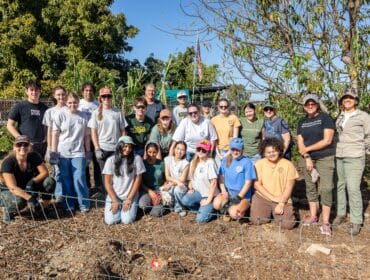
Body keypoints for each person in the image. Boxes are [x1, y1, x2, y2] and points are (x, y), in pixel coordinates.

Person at [297, 94, 335, 236]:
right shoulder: (301, 122)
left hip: (325, 157)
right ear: (304, 106)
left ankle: (325, 222)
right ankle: (313, 215)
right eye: (307, 104)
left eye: (313, 104)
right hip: (307, 158)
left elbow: (327, 140)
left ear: (317, 104)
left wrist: (307, 149)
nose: (310, 106)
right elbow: (300, 141)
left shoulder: (325, 118)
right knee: (310, 187)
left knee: (326, 188)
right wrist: (306, 156)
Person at [334, 89, 370, 235]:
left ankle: (356, 220)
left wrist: (364, 151)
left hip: (355, 155)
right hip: (340, 154)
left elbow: (369, 136)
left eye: (351, 98)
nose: (347, 100)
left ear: (355, 100)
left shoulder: (364, 116)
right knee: (340, 185)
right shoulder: (341, 116)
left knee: (353, 188)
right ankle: (341, 213)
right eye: (345, 98)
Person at [0, 135, 55, 224]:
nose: (22, 147)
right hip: (10, 191)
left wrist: (32, 182)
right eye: (19, 145)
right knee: (20, 200)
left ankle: (41, 208)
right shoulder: (8, 162)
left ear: (29, 146)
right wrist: (30, 198)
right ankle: (8, 211)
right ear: (14, 147)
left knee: (50, 181)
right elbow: (12, 187)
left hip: (27, 186)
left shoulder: (34, 156)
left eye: (25, 144)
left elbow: (45, 172)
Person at [51, 93, 91, 213]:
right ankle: (69, 204)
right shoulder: (60, 114)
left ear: (78, 102)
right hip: (63, 152)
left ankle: (84, 204)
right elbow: (55, 134)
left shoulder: (84, 116)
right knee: (66, 179)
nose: (72, 105)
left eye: (75, 102)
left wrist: (88, 152)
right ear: (66, 103)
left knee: (79, 178)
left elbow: (87, 136)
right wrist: (54, 152)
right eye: (70, 102)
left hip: (78, 152)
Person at [250, 138, 298, 230]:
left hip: (282, 198)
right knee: (257, 220)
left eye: (274, 151)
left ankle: (278, 212)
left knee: (287, 225)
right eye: (268, 152)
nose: (272, 154)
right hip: (262, 197)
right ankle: (269, 212)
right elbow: (256, 184)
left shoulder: (288, 164)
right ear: (264, 153)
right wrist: (272, 198)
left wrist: (281, 203)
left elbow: (289, 187)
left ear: (279, 150)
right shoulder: (259, 164)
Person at [89, 86, 127, 193]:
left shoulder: (118, 112)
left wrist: (122, 145)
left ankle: (117, 193)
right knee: (104, 173)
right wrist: (96, 148)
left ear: (111, 97)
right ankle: (107, 195)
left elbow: (123, 130)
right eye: (104, 96)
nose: (106, 98)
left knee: (116, 172)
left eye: (108, 96)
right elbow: (93, 132)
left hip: (115, 148)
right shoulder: (96, 113)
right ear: (100, 98)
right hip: (102, 148)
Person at [102, 136, 145, 225]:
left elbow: (138, 179)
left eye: (130, 147)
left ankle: (130, 206)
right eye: (125, 146)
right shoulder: (110, 160)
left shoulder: (137, 158)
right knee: (111, 221)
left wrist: (129, 199)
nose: (128, 149)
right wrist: (114, 200)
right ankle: (119, 207)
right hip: (115, 194)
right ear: (119, 146)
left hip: (130, 194)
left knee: (127, 220)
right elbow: (107, 182)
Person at [213, 138, 256, 220]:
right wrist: (223, 190)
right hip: (229, 193)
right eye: (233, 149)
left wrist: (239, 197)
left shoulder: (247, 162)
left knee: (234, 214)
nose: (235, 152)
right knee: (216, 204)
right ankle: (229, 208)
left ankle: (237, 209)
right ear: (230, 149)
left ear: (242, 149)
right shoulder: (225, 160)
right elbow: (221, 177)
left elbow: (248, 183)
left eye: (238, 149)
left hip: (243, 196)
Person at [178, 139, 218, 223]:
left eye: (203, 150)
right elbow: (191, 179)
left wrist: (208, 200)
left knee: (200, 220)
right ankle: (202, 209)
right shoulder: (193, 162)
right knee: (185, 200)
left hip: (210, 195)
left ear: (208, 151)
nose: (200, 151)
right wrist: (191, 188)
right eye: (198, 149)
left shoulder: (210, 163)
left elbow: (214, 183)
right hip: (199, 193)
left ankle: (212, 209)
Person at [7, 80, 48, 157]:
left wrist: (47, 138)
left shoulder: (45, 108)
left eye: (36, 90)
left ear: (40, 91)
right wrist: (21, 139)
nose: (34, 92)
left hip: (41, 146)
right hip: (24, 146)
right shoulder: (19, 106)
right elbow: (9, 125)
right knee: (24, 168)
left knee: (39, 168)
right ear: (26, 91)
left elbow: (48, 126)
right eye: (31, 90)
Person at [42, 86, 67, 201]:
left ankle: (68, 193)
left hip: (67, 146)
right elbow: (49, 130)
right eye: (58, 94)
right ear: (54, 96)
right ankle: (59, 195)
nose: (61, 97)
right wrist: (50, 148)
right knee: (57, 171)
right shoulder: (50, 112)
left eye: (63, 94)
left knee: (66, 171)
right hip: (55, 146)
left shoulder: (69, 109)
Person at [78, 82, 102, 191]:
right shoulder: (79, 103)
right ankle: (87, 185)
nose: (88, 92)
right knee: (85, 163)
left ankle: (98, 184)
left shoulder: (97, 105)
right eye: (86, 90)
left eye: (90, 90)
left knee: (97, 162)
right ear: (82, 92)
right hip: (83, 137)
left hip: (95, 138)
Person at [211, 98, 241, 166]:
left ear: (228, 107)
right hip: (218, 151)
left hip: (231, 150)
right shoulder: (213, 120)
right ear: (218, 107)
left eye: (225, 106)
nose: (223, 108)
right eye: (221, 106)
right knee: (219, 173)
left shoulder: (233, 118)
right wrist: (218, 154)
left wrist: (229, 152)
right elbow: (213, 138)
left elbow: (235, 138)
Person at [138, 143, 165, 217]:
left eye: (154, 152)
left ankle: (160, 204)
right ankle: (152, 203)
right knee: (142, 205)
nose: (152, 154)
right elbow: (140, 182)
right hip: (147, 191)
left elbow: (165, 179)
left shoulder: (161, 163)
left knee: (155, 213)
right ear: (146, 152)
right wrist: (150, 191)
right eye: (149, 152)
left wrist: (161, 192)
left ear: (157, 152)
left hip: (159, 190)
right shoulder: (143, 163)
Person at [164, 141, 190, 216]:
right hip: (173, 183)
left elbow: (182, 180)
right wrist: (173, 183)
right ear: (174, 149)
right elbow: (167, 176)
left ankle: (180, 208)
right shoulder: (168, 159)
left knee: (177, 189)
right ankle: (172, 207)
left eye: (182, 150)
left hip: (182, 185)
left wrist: (172, 183)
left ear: (185, 152)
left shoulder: (186, 163)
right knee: (164, 190)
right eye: (178, 148)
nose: (179, 151)